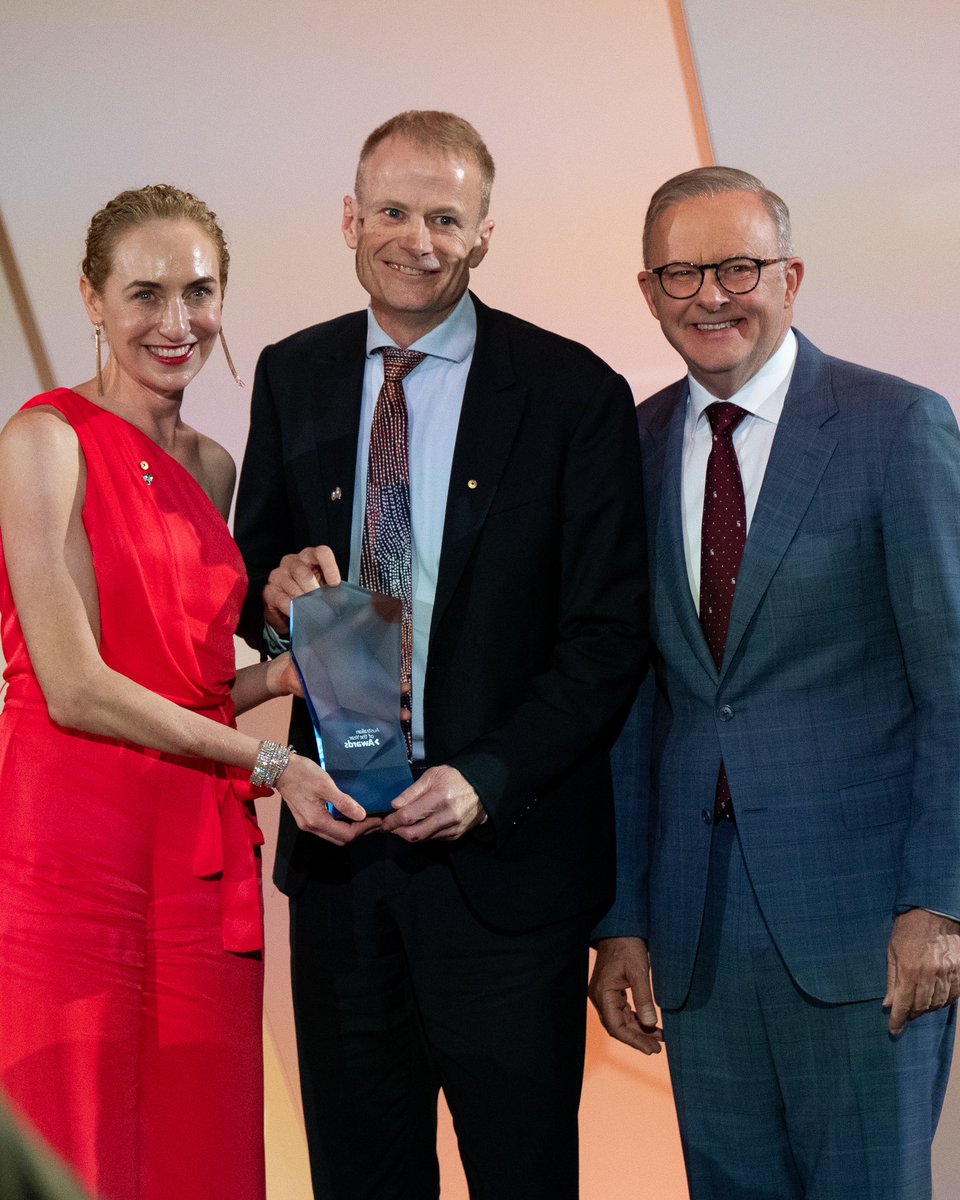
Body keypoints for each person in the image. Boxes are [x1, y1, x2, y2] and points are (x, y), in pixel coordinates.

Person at [233, 110, 647, 1200]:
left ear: (484, 236)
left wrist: (487, 778)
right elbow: (253, 583)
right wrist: (273, 601)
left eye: (446, 217)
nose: (418, 238)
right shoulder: (293, 373)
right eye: (396, 211)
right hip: (341, 862)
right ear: (350, 219)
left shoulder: (573, 395)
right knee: (360, 1178)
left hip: (506, 877)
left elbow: (608, 639)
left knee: (522, 1176)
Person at [589, 166, 960, 1199]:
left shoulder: (897, 427)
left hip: (865, 932)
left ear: (790, 276)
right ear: (649, 290)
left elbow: (955, 682)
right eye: (682, 272)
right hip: (693, 943)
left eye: (739, 266)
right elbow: (631, 711)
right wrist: (620, 918)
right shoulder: (633, 445)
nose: (712, 295)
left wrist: (940, 903)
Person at [0, 184, 367, 1200]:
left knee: (199, 1149)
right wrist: (273, 759)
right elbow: (74, 684)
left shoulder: (213, 464)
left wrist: (284, 674)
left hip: (200, 863)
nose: (176, 322)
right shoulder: (43, 442)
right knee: (80, 1145)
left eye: (198, 292)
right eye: (144, 293)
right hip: (72, 849)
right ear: (90, 298)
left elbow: (188, 682)